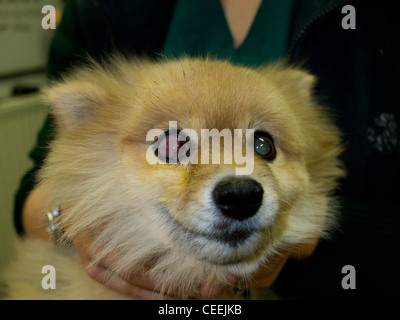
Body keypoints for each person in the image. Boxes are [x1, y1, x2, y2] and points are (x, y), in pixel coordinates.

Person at [14, 0, 400, 299]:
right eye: (173, 145)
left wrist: (308, 235)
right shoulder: (103, 8)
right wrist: (70, 221)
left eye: (262, 145)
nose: (237, 179)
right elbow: (31, 193)